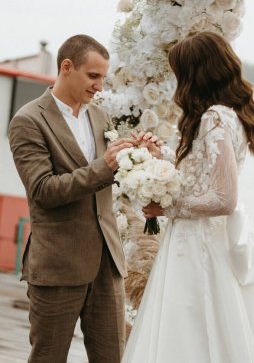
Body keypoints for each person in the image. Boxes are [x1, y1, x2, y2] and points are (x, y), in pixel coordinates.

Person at [8, 34, 160, 363]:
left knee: (112, 358)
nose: (99, 87)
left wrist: (141, 157)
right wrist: (103, 168)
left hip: (108, 265)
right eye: (93, 76)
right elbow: (43, 191)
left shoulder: (100, 118)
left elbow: (114, 176)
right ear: (66, 67)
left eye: (103, 78)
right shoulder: (28, 121)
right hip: (58, 266)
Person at [121, 31, 254, 363]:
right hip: (195, 240)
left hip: (198, 247)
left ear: (195, 73)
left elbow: (222, 198)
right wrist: (162, 155)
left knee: (189, 322)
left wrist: (167, 206)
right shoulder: (228, 115)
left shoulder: (215, 118)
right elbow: (201, 174)